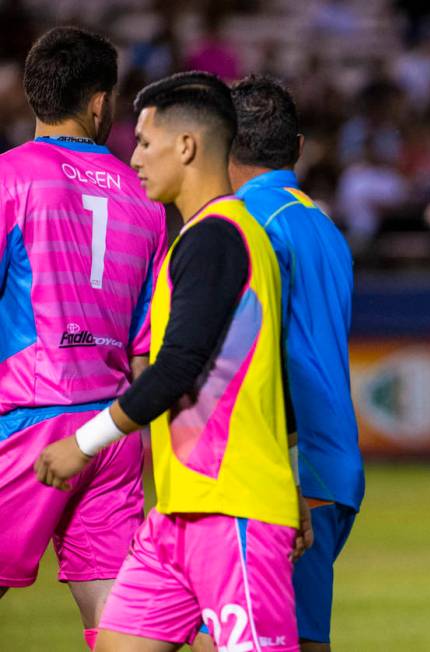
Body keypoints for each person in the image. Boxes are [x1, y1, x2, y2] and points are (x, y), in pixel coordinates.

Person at [34, 71, 311, 652]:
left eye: (144, 141)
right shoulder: (204, 238)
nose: (132, 157)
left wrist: (83, 443)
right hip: (181, 513)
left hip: (233, 511)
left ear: (186, 146)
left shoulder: (219, 237)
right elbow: (277, 381)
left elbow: (179, 365)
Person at [0, 26, 166, 651]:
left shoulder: (9, 178)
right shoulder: (145, 198)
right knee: (116, 620)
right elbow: (145, 345)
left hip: (23, 422)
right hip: (110, 430)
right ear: (100, 102)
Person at [191, 73, 365, 652]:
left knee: (234, 636)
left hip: (279, 469)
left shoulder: (240, 226)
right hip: (333, 466)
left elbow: (244, 362)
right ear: (297, 149)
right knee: (300, 636)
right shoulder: (323, 225)